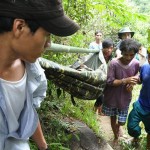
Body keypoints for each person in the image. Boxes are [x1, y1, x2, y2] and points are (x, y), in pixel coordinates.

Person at [0, 0, 79, 150]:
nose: (48, 44)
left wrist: (43, 146)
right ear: (19, 27)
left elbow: (28, 111)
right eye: (47, 35)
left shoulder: (33, 73)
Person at [102, 39, 140, 144]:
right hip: (112, 97)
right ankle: (115, 136)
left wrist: (132, 83)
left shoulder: (136, 63)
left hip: (125, 97)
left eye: (131, 55)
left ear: (135, 54)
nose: (128, 57)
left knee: (122, 122)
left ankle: (119, 128)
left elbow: (137, 75)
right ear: (121, 52)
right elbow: (109, 81)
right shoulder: (113, 63)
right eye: (125, 54)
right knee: (113, 117)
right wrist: (125, 80)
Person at [127, 49, 150, 149]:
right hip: (140, 104)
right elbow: (141, 79)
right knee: (131, 126)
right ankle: (136, 137)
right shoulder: (145, 66)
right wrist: (133, 82)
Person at [94, 39, 114, 114]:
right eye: (107, 48)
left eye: (111, 48)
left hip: (106, 79)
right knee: (101, 95)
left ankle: (98, 110)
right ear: (103, 48)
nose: (109, 50)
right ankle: (94, 111)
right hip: (97, 77)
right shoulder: (98, 55)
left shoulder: (111, 57)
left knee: (103, 95)